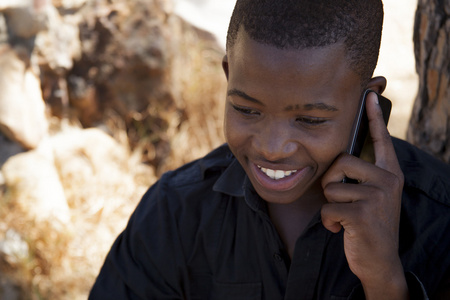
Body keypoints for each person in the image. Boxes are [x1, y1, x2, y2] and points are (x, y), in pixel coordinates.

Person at [89, 0, 450, 299]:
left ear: (368, 101)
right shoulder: (175, 213)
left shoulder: (438, 220)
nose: (272, 148)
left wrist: (385, 281)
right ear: (229, 76)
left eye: (310, 119)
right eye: (247, 110)